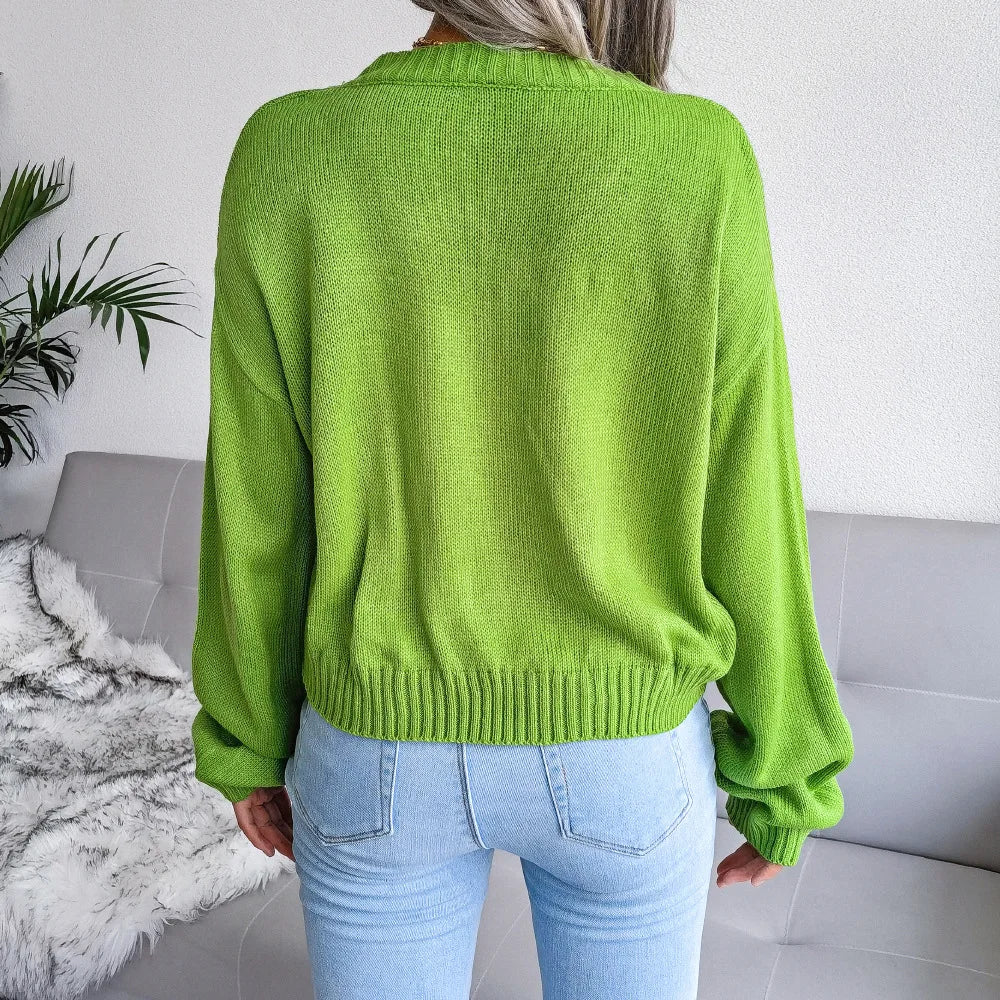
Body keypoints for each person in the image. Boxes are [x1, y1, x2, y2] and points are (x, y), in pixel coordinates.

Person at [189, 2, 855, 997]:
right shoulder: (698, 156)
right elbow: (749, 492)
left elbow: (256, 499)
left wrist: (246, 737)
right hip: (624, 753)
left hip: (376, 753)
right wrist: (787, 769)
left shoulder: (290, 151)